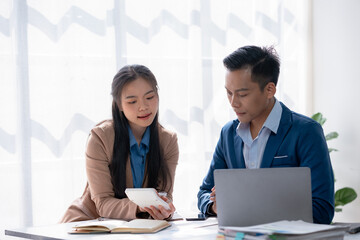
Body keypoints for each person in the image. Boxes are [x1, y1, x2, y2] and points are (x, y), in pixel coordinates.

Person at [197, 45, 334, 224]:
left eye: (242, 94)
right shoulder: (228, 134)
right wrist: (214, 205)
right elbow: (204, 193)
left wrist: (252, 209)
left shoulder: (306, 132)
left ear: (269, 90)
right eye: (228, 93)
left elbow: (322, 209)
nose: (233, 103)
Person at [60, 64, 179, 222]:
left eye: (149, 97)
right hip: (89, 223)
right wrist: (140, 207)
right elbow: (103, 203)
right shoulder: (100, 138)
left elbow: (164, 195)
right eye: (132, 101)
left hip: (138, 227)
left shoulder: (168, 141)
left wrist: (164, 209)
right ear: (118, 104)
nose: (143, 107)